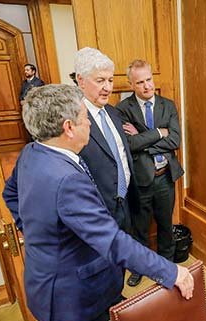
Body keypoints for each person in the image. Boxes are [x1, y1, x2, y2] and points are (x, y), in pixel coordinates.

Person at [2, 84, 194, 321]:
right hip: (71, 300)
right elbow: (114, 242)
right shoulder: (65, 179)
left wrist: (41, 234)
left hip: (44, 286)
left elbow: (10, 194)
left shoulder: (32, 152)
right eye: (84, 117)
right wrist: (171, 272)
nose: (90, 122)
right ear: (68, 128)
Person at [116, 60, 184, 287]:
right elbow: (130, 145)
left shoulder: (168, 105)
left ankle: (167, 267)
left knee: (166, 225)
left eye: (149, 80)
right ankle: (139, 268)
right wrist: (158, 132)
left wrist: (143, 138)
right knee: (140, 229)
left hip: (165, 176)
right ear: (131, 84)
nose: (146, 86)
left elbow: (175, 140)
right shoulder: (123, 109)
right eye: (140, 82)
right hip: (141, 180)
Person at [75, 47, 135, 233]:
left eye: (110, 80)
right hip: (97, 212)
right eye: (100, 80)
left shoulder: (113, 112)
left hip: (126, 202)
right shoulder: (73, 120)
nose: (108, 88)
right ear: (81, 80)